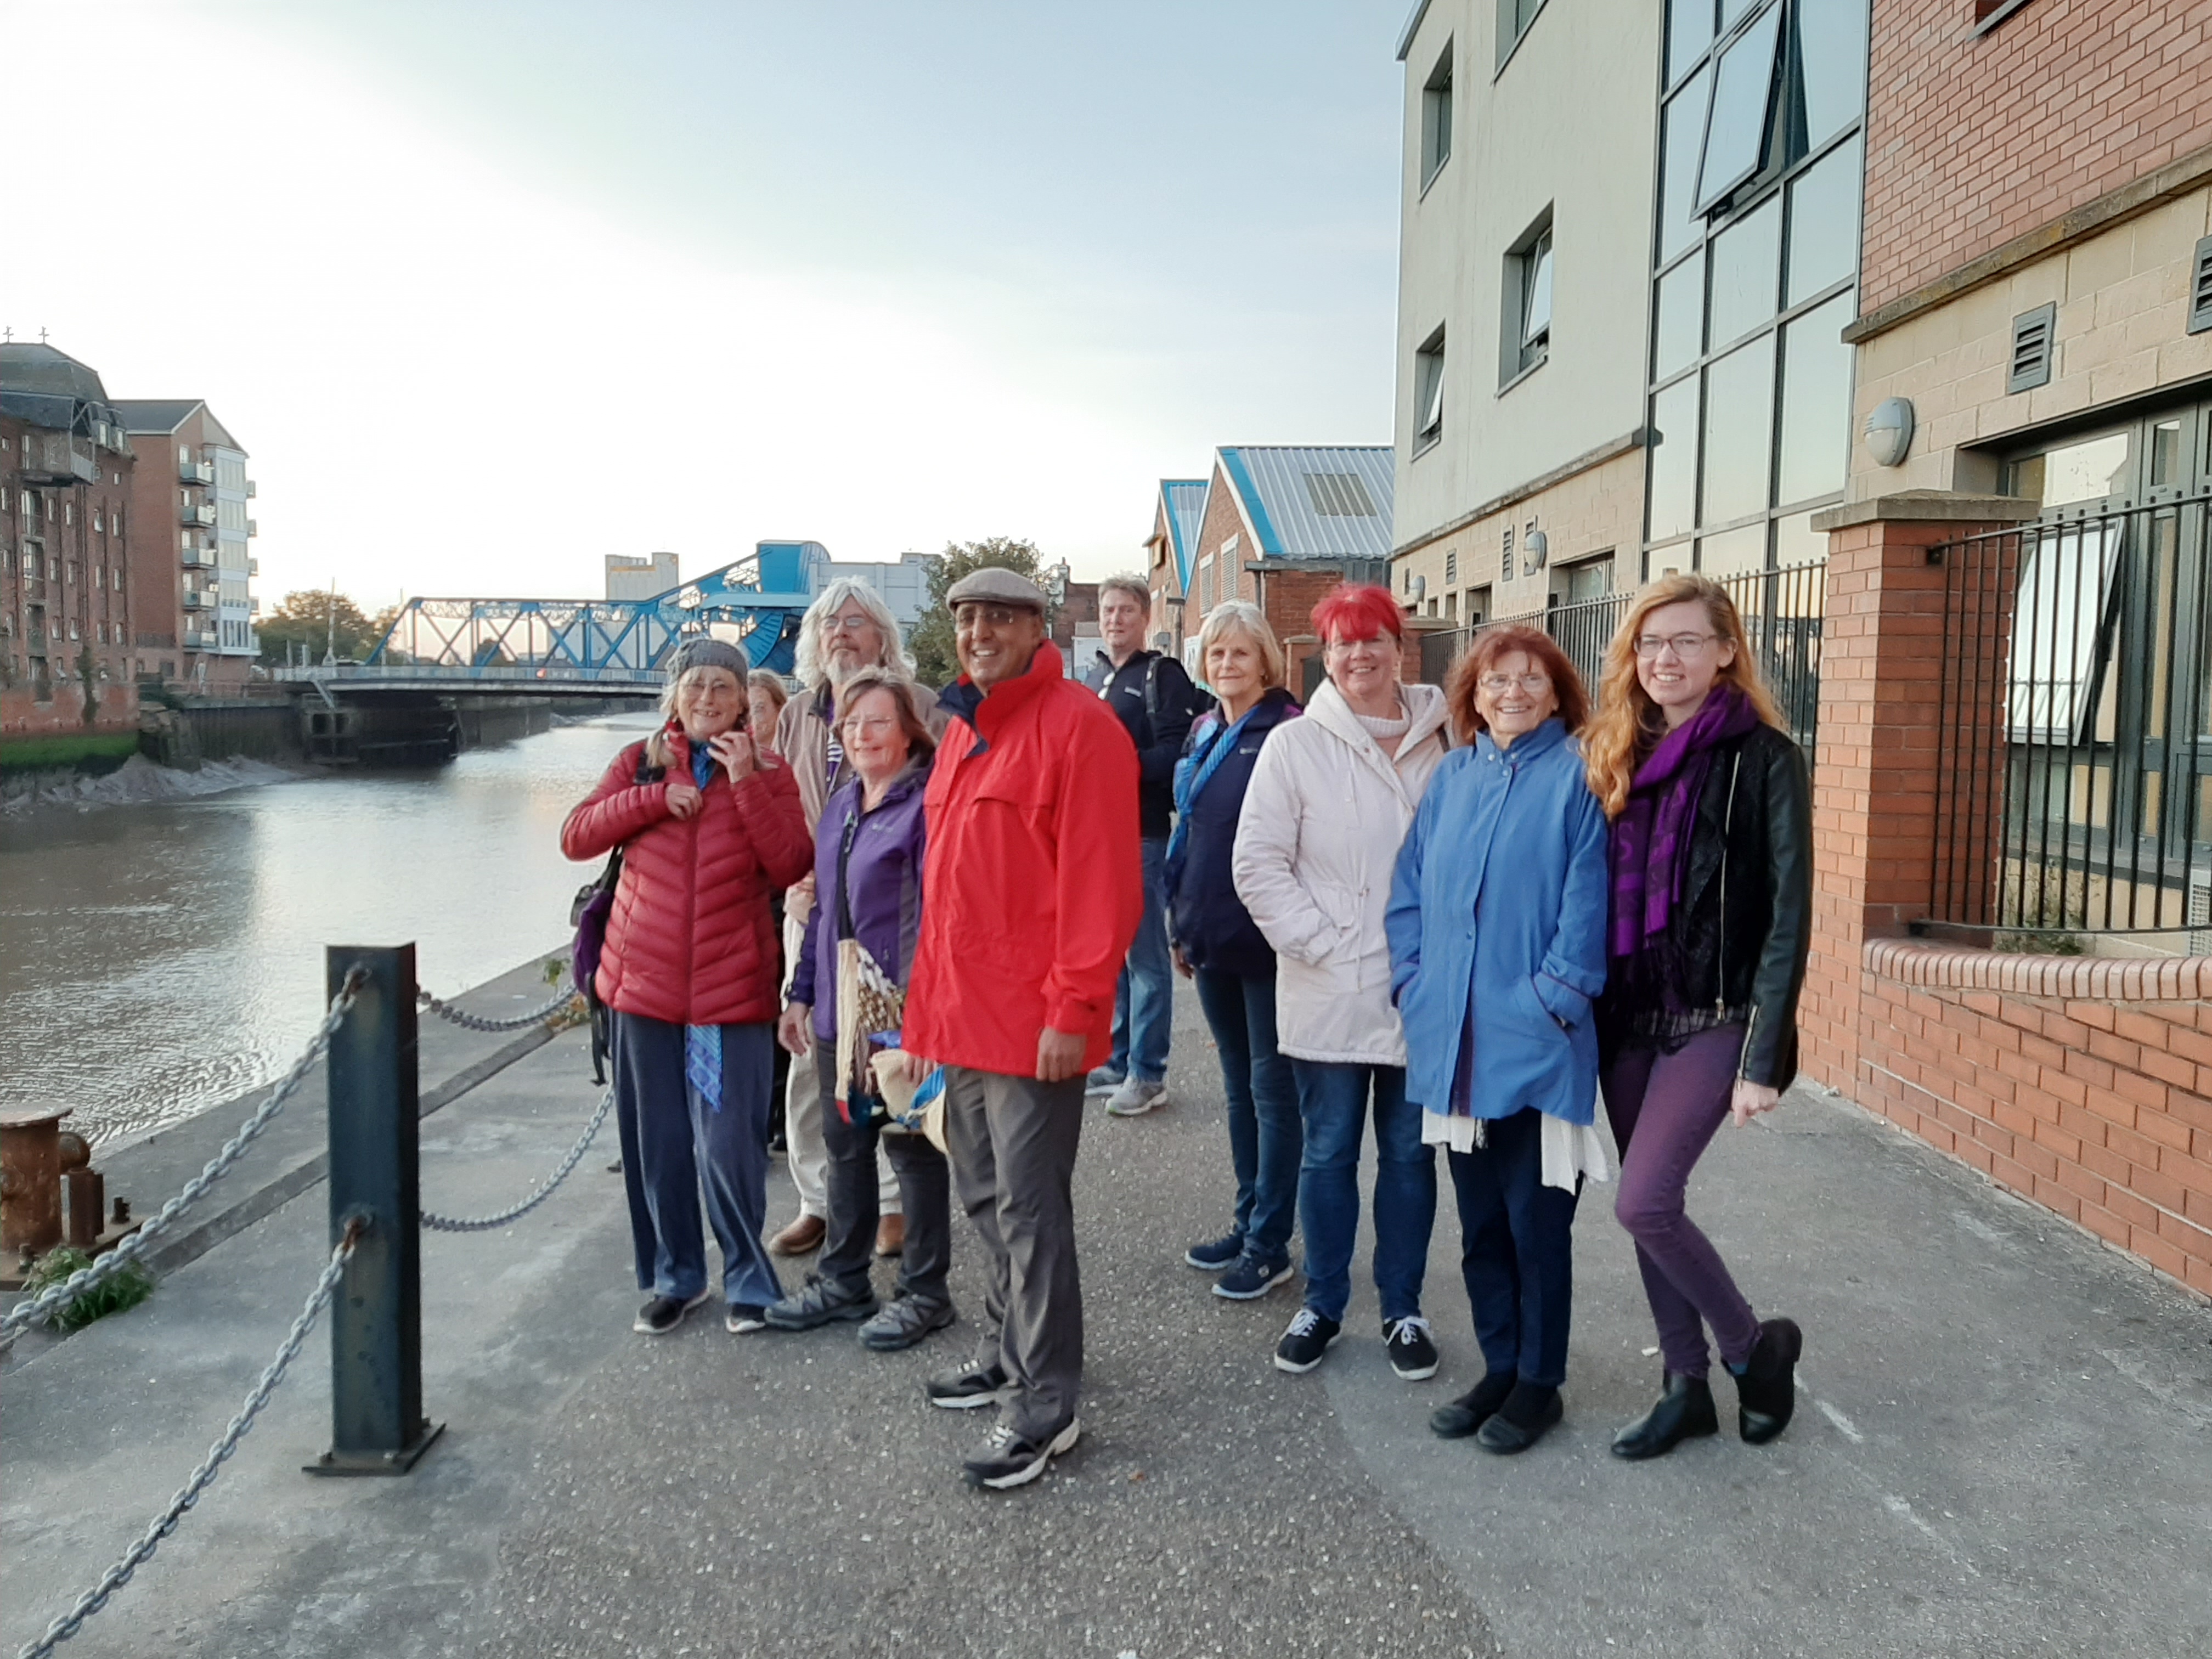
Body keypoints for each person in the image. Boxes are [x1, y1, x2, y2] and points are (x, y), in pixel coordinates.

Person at [901, 567, 1140, 1490]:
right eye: (966, 618)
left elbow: (1100, 885)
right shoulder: (965, 726)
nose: (978, 631)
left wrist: (1073, 1010)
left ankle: (1048, 1407)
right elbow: (948, 886)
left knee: (1034, 1215)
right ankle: (1006, 1350)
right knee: (985, 1198)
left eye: (998, 617)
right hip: (961, 1012)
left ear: (1037, 627)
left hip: (1033, 1020)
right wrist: (924, 1012)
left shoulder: (1080, 728)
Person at [1582, 574, 1813, 1459]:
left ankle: (1756, 1349)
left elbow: (1787, 913)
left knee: (1642, 1199)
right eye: (1647, 643)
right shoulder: (1616, 752)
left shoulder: (1765, 757)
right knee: (1654, 1205)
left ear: (1725, 650)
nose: (1663, 658)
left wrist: (1762, 1054)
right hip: (1630, 1017)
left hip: (1717, 1017)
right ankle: (1684, 1384)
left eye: (1683, 640)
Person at [1386, 627, 1611, 1455]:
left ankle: (1540, 1384)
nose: (1510, 693)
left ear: (1557, 693)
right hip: (1454, 1045)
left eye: (1529, 680)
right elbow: (1409, 891)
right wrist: (1413, 985)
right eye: (1494, 681)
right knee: (1480, 1225)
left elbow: (1588, 912)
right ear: (1471, 697)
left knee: (1536, 1226)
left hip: (1537, 1045)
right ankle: (1500, 1365)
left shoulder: (1579, 777)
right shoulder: (1452, 778)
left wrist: (1547, 1004)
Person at [560, 638, 812, 1336]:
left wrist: (748, 785)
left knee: (730, 1147)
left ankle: (749, 1280)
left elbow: (793, 860)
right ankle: (677, 1277)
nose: (708, 700)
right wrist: (648, 799)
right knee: (660, 1145)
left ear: (743, 702)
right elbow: (576, 836)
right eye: (695, 686)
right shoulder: (637, 763)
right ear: (674, 697)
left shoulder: (768, 769)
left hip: (727, 997)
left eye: (723, 690)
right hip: (644, 992)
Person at [1232, 583, 1451, 1380]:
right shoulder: (1297, 746)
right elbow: (1257, 863)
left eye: (1374, 639)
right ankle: (1323, 1303)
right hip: (1329, 986)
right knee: (1326, 1153)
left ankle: (1403, 1309)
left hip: (1422, 992)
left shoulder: (1447, 736)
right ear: (1324, 657)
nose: (1360, 655)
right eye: (1342, 643)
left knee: (1409, 1157)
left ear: (1402, 647)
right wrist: (1322, 944)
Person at [766, 670, 956, 1350]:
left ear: (908, 729)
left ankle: (926, 1293)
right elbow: (824, 911)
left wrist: (920, 1023)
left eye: (878, 722)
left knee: (913, 1153)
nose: (862, 735)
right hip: (838, 1016)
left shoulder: (926, 805)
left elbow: (938, 919)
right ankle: (843, 1280)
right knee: (847, 1149)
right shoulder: (843, 804)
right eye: (851, 725)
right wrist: (800, 993)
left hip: (899, 1013)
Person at [1165, 601, 1304, 1300]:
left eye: (1240, 653)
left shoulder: (1289, 729)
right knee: (1238, 1088)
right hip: (1208, 930)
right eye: (1217, 654)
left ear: (1266, 660)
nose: (1227, 665)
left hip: (1267, 939)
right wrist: (1178, 922)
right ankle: (1248, 1215)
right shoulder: (1202, 728)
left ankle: (1270, 1240)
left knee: (1273, 1090)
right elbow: (1187, 831)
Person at [1082, 575, 1204, 1118]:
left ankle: (1148, 1073)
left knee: (1146, 958)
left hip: (1143, 834)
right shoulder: (1097, 677)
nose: (1116, 619)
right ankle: (1117, 1058)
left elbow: (1176, 751)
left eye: (1127, 610)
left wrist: (1118, 769)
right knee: (1114, 957)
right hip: (1099, 837)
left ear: (1145, 616)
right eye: (1109, 610)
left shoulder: (1161, 675)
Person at [749, 666, 793, 1152]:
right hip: (751, 907)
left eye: (758, 709)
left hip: (783, 905)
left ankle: (778, 1113)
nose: (749, 721)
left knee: (782, 1009)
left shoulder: (786, 769)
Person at [747, 669, 789, 751]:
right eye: (744, 709)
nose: (749, 717)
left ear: (780, 710)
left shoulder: (795, 754)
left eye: (758, 709)